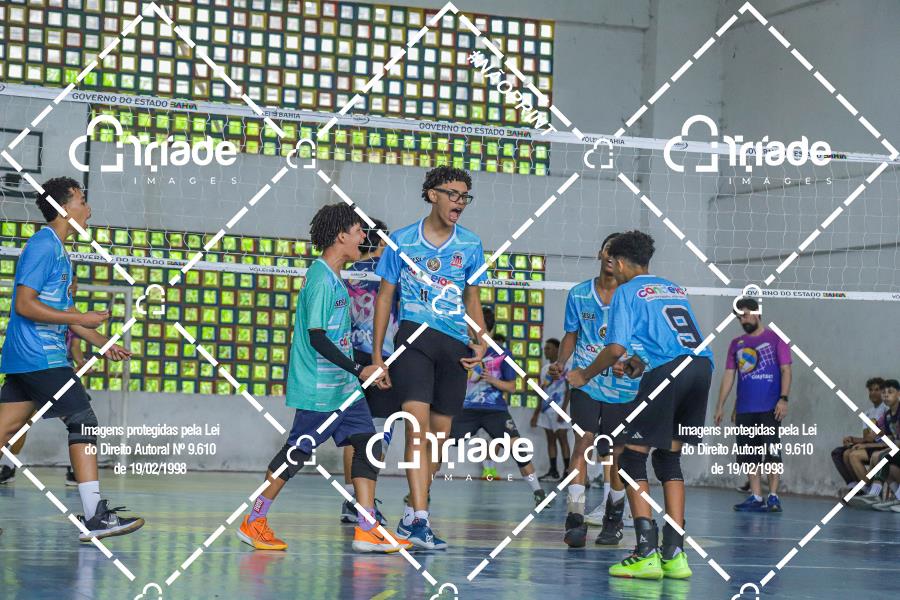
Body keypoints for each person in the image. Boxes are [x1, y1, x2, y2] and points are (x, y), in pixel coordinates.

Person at [236, 203, 407, 554]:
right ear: (341, 235)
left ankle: (367, 527)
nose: (364, 238)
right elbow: (317, 337)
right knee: (295, 454)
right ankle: (254, 519)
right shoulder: (320, 278)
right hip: (320, 389)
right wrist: (359, 369)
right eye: (359, 231)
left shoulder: (336, 275)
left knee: (368, 445)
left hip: (345, 389)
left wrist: (363, 372)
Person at [0, 176, 141, 541]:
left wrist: (103, 342)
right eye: (82, 201)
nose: (88, 209)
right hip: (40, 356)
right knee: (83, 420)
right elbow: (24, 305)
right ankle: (94, 516)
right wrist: (81, 319)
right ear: (64, 208)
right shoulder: (43, 246)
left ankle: (94, 515)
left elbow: (67, 314)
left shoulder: (59, 251)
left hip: (28, 358)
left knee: (5, 430)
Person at [567, 230, 714, 580]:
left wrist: (584, 374)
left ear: (618, 263)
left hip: (669, 373)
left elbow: (615, 348)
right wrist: (640, 362)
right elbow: (670, 338)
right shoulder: (672, 288)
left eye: (611, 262)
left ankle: (645, 553)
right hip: (701, 367)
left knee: (631, 458)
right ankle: (675, 555)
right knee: (668, 458)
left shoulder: (626, 291)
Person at [372, 165, 489, 550]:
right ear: (432, 194)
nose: (460, 202)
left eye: (465, 196)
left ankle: (412, 510)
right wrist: (378, 355)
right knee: (417, 432)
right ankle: (421, 521)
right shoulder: (401, 240)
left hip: (454, 346)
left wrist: (481, 341)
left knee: (437, 443)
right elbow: (385, 297)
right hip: (414, 341)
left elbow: (472, 298)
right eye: (453, 194)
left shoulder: (471, 244)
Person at [550, 233, 641, 549]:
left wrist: (629, 362)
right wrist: (561, 362)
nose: (611, 257)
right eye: (608, 250)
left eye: (618, 253)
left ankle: (613, 519)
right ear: (600, 253)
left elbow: (640, 340)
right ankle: (575, 519)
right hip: (586, 382)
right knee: (583, 443)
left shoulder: (632, 297)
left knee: (615, 454)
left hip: (622, 387)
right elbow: (571, 335)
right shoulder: (579, 294)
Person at [448, 307, 547, 505]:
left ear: (484, 328)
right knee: (438, 445)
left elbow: (512, 387)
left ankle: (539, 492)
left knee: (518, 449)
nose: (469, 329)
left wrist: (492, 380)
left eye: (473, 325)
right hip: (466, 410)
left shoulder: (502, 353)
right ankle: (422, 491)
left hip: (495, 411)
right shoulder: (463, 349)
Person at [0, 274, 87, 488]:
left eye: (75, 285)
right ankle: (9, 466)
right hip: (35, 369)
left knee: (82, 422)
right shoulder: (36, 304)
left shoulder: (70, 312)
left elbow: (76, 346)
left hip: (60, 373)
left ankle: (78, 473)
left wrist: (82, 361)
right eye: (70, 284)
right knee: (18, 425)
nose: (73, 288)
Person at [338, 218, 396, 526]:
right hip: (381, 358)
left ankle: (352, 500)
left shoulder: (345, 273)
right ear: (383, 242)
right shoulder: (391, 273)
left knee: (355, 433)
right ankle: (365, 502)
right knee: (378, 432)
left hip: (350, 360)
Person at [714, 298, 792, 513]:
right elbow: (730, 376)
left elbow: (786, 370)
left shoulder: (776, 339)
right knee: (749, 453)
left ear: (757, 313)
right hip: (745, 409)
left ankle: (773, 496)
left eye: (746, 315)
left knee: (772, 451)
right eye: (739, 318)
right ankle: (756, 496)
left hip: (769, 407)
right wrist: (721, 405)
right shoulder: (736, 344)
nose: (743, 320)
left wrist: (783, 399)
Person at [847, 379, 899, 507]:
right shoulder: (887, 415)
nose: (886, 395)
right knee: (888, 467)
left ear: (898, 393)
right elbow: (888, 439)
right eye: (884, 393)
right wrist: (867, 444)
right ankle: (896, 497)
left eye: (890, 392)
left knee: (880, 456)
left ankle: (873, 494)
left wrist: (883, 450)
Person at [831, 378, 887, 495]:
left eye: (877, 390)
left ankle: (869, 490)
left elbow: (876, 437)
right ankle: (856, 486)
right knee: (842, 453)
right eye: (870, 390)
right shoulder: (867, 413)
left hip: (883, 446)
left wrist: (861, 443)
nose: (873, 393)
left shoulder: (886, 410)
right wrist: (852, 440)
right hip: (871, 445)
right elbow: (867, 438)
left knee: (853, 455)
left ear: (883, 392)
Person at [531, 338, 571, 481]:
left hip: (559, 408)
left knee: (562, 438)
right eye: (545, 348)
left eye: (548, 348)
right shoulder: (544, 369)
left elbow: (569, 390)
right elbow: (542, 392)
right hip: (546, 409)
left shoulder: (567, 367)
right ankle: (553, 471)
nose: (545, 351)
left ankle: (567, 471)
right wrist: (536, 413)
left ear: (557, 350)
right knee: (551, 440)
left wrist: (563, 410)